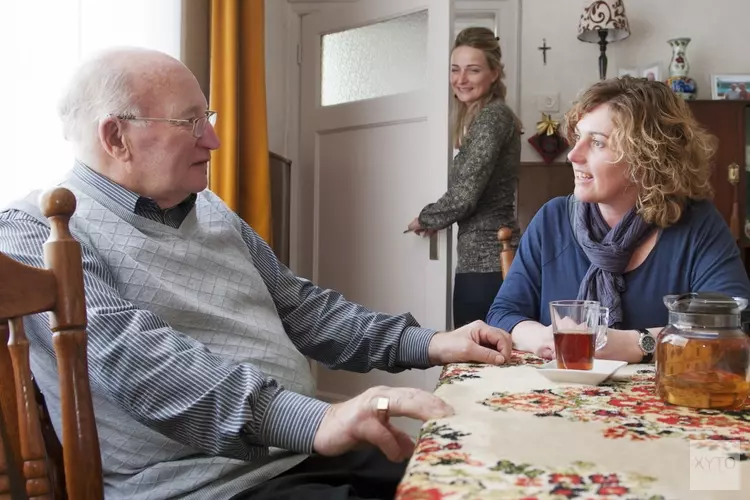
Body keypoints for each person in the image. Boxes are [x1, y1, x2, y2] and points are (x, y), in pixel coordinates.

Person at [0, 47, 514, 500]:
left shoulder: (210, 209)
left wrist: (430, 343)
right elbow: (133, 359)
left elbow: (303, 310)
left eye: (208, 117)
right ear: (116, 136)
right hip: (208, 485)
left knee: (489, 479)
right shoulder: (32, 229)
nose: (214, 140)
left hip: (303, 454)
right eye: (191, 122)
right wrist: (317, 418)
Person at [486, 76, 750, 363]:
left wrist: (636, 343)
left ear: (648, 158)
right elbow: (503, 313)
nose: (573, 155)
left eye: (597, 143)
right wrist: (542, 337)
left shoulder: (697, 224)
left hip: (663, 391)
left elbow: (731, 326)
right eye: (578, 137)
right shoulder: (552, 219)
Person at [406, 27, 522, 329]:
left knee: (478, 352)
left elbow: (465, 194)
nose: (461, 79)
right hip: (483, 259)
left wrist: (426, 218)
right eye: (455, 69)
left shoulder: (492, 117)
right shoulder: (481, 118)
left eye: (473, 70)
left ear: (494, 73)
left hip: (489, 261)